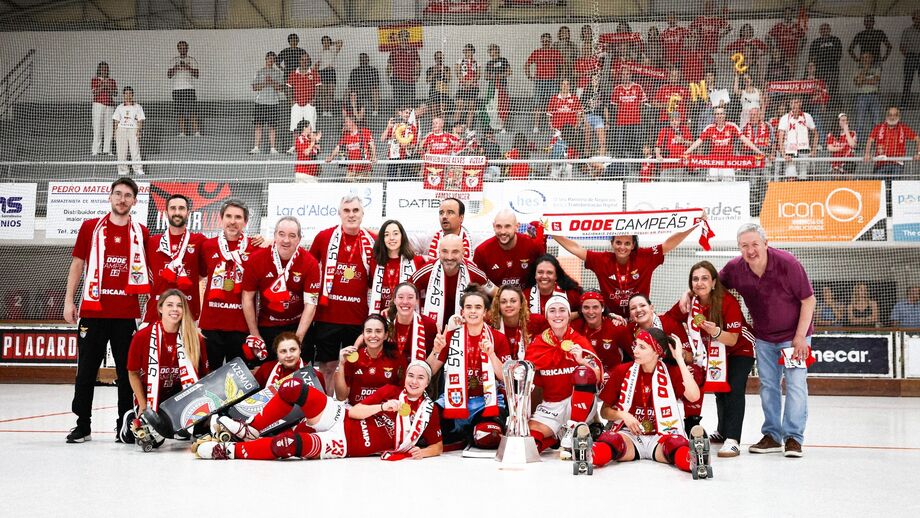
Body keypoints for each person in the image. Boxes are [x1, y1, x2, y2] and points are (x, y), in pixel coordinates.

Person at [197, 360, 442, 461]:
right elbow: (355, 412)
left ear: (426, 383)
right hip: (341, 416)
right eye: (411, 375)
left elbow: (438, 446)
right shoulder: (391, 391)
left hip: (345, 443)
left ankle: (229, 451)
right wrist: (382, 406)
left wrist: (422, 453)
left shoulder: (428, 412)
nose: (413, 381)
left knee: (286, 445)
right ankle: (251, 429)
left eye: (420, 378)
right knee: (293, 387)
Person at [63, 178, 149, 443]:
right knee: (87, 370)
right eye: (118, 194)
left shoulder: (141, 232)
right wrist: (69, 300)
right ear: (110, 197)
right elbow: (78, 264)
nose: (122, 199)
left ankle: (124, 426)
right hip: (93, 311)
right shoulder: (90, 227)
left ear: (134, 201)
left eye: (127, 196)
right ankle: (83, 425)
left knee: (126, 373)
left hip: (125, 314)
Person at [718, 223, 815, 457]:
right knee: (768, 386)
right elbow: (713, 285)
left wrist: (800, 337)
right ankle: (772, 435)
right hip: (763, 338)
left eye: (754, 244)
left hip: (795, 338)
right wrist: (687, 293)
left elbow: (808, 300)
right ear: (739, 248)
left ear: (766, 244)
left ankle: (793, 437)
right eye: (744, 246)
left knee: (795, 385)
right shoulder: (734, 268)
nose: (750, 250)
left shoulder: (788, 264)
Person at [665, 261, 755, 458]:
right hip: (715, 350)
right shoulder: (690, 302)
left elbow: (732, 339)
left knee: (733, 387)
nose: (699, 283)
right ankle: (722, 431)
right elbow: (668, 319)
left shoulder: (728, 301)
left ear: (714, 282)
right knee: (719, 390)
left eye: (704, 278)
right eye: (695, 279)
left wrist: (714, 331)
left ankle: (732, 440)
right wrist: (685, 347)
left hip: (740, 348)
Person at [551, 214, 703, 319]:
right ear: (612, 243)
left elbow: (668, 244)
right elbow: (576, 248)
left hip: (639, 315)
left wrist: (694, 225)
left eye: (627, 243)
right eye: (618, 242)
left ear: (633, 245)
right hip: (611, 317)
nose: (622, 247)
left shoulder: (645, 256)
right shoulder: (602, 259)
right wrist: (550, 231)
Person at [592, 327, 700, 473]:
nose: (635, 350)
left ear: (657, 351)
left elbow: (694, 397)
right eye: (636, 345)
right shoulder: (622, 371)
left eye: (642, 347)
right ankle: (588, 456)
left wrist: (680, 359)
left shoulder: (670, 372)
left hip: (660, 436)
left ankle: (695, 461)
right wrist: (623, 415)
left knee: (676, 443)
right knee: (611, 440)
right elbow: (604, 412)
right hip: (629, 436)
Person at [427, 286, 510, 450]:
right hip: (453, 400)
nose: (473, 311)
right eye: (468, 307)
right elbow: (429, 372)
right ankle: (464, 433)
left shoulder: (498, 338)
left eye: (478, 307)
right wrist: (435, 351)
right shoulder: (450, 336)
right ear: (462, 312)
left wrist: (492, 354)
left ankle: (463, 434)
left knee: (488, 436)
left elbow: (504, 377)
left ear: (485, 312)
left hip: (486, 402)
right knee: (425, 424)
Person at [308, 195, 376, 391]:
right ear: (339, 214)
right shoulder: (324, 237)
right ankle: (327, 408)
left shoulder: (374, 240)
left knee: (353, 366)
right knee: (327, 366)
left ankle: (348, 408)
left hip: (357, 318)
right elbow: (309, 266)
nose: (351, 215)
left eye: (356, 211)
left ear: (362, 214)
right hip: (327, 315)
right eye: (347, 211)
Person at [123, 289, 208, 443]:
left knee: (181, 434)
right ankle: (131, 418)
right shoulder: (142, 336)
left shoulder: (195, 338)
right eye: (170, 305)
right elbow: (133, 373)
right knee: (153, 440)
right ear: (160, 308)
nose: (175, 309)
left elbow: (203, 377)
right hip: (150, 396)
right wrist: (143, 406)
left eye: (179, 306)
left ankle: (180, 424)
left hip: (178, 398)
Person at [526, 295, 601, 457]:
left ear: (569, 315)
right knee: (530, 442)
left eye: (562, 310)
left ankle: (573, 428)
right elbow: (531, 384)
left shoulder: (579, 340)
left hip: (577, 403)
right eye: (552, 311)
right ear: (546, 316)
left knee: (583, 372)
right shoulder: (538, 344)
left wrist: (582, 361)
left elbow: (597, 375)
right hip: (551, 406)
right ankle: (557, 438)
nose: (557, 315)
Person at [242, 216, 320, 361]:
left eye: (292, 236)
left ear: (299, 239)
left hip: (298, 325)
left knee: (300, 374)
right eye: (281, 234)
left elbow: (311, 304)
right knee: (267, 373)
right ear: (275, 236)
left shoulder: (310, 263)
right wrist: (255, 333)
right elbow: (247, 298)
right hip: (267, 324)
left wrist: (297, 340)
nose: (286, 240)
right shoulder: (256, 259)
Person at [199, 199, 260, 368]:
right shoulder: (207, 246)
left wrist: (268, 240)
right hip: (211, 325)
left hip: (241, 326)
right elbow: (199, 277)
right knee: (211, 378)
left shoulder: (256, 248)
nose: (233, 221)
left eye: (238, 217)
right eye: (229, 216)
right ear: (221, 219)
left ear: (246, 222)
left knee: (240, 382)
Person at [412, 234, 494, 332]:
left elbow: (496, 293)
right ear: (439, 252)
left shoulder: (472, 271)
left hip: (464, 334)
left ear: (463, 253)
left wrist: (491, 314)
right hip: (433, 333)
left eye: (455, 252)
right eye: (444, 251)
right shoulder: (428, 269)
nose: (449, 257)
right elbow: (403, 290)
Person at [144, 193, 205, 322]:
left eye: (181, 208)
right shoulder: (152, 242)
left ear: (188, 212)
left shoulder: (199, 241)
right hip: (156, 313)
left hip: (188, 312)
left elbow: (201, 274)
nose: (177, 212)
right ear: (166, 213)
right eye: (173, 208)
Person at [334, 315, 407, 405]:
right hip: (357, 412)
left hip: (386, 413)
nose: (373, 335)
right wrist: (341, 364)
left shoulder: (397, 358)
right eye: (369, 331)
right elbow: (341, 397)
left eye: (378, 331)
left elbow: (403, 393)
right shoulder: (352, 357)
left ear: (385, 335)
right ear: (363, 335)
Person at [683, 106, 765, 181]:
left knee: (728, 184)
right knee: (712, 184)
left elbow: (745, 140)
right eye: (717, 114)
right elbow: (698, 141)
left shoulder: (732, 126)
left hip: (728, 162)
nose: (719, 116)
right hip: (714, 162)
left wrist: (758, 151)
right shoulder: (709, 128)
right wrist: (687, 152)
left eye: (721, 113)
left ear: (725, 115)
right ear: (714, 116)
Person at [473, 209, 545, 289]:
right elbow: (477, 284)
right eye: (498, 226)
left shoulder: (533, 246)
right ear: (493, 226)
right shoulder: (482, 251)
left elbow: (544, 276)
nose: (503, 231)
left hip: (527, 298)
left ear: (516, 226)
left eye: (507, 226)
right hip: (494, 299)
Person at [369, 220, 427, 313]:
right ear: (382, 239)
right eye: (386, 234)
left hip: (407, 318)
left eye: (395, 234)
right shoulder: (375, 263)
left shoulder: (417, 261)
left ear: (402, 236)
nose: (391, 238)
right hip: (380, 319)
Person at [571, 291, 632, 373]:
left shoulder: (617, 328)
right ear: (581, 310)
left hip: (610, 379)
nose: (591, 312)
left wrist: (621, 374)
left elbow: (635, 356)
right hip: (583, 378)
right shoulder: (575, 327)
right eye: (586, 307)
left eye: (595, 307)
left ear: (602, 308)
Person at [488, 284, 548, 360]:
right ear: (498, 305)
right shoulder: (490, 324)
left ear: (521, 304)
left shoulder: (538, 322)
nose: (508, 305)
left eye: (513, 301)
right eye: (503, 302)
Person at [607, 69, 647, 176]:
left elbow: (643, 104)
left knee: (638, 145)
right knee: (620, 145)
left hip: (636, 122)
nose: (625, 76)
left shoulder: (637, 87)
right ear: (621, 76)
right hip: (621, 123)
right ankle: (620, 169)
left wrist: (638, 116)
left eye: (627, 74)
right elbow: (613, 107)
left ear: (630, 75)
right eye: (623, 74)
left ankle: (639, 168)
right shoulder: (617, 89)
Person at [386, 282, 438, 362]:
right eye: (401, 297)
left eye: (410, 297)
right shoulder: (386, 322)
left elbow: (436, 355)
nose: (405, 302)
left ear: (416, 301)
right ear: (395, 300)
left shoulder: (429, 324)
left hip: (419, 371)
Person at [253, 332, 325, 390]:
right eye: (283, 351)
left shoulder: (315, 375)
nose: (289, 355)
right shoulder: (265, 369)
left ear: (300, 350)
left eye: (293, 350)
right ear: (277, 353)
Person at [863, 106, 920, 177]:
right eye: (890, 115)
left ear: (898, 116)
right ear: (886, 116)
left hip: (897, 164)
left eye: (895, 115)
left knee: (895, 186)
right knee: (879, 185)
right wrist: (867, 154)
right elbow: (870, 140)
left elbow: (917, 139)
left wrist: (919, 153)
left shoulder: (903, 128)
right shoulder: (878, 127)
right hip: (881, 163)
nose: (892, 117)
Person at [525, 32, 564, 133]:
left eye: (547, 40)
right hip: (539, 81)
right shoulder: (537, 52)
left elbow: (562, 66)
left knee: (553, 103)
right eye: (544, 40)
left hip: (552, 81)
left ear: (550, 41)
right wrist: (529, 76)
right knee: (537, 103)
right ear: (541, 41)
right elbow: (527, 64)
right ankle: (536, 126)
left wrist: (560, 78)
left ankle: (553, 125)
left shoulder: (555, 52)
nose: (546, 42)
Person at [285, 53, 321, 154]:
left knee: (311, 126)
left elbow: (318, 87)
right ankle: (294, 146)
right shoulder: (293, 73)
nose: (304, 61)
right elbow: (288, 88)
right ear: (299, 61)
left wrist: (314, 99)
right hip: (296, 104)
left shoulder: (314, 73)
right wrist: (291, 100)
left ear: (309, 61)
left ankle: (313, 146)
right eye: (302, 59)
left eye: (306, 60)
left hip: (309, 104)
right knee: (295, 126)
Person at [250, 51, 284, 155]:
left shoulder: (278, 73)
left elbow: (280, 89)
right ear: (266, 59)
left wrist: (272, 82)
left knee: (272, 126)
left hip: (273, 103)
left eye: (273, 58)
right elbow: (255, 88)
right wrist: (265, 83)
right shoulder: (259, 72)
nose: (271, 60)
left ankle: (273, 148)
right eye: (269, 58)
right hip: (260, 102)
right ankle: (256, 147)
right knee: (258, 125)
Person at [776, 98, 818, 181]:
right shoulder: (785, 118)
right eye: (793, 102)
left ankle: (802, 193)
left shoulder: (807, 116)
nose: (795, 104)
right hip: (790, 152)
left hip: (804, 150)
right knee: (791, 177)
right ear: (790, 104)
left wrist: (813, 150)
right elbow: (780, 138)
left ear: (800, 103)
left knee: (803, 176)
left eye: (797, 102)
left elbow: (815, 134)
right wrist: (783, 153)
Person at [325, 116, 376, 181]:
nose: (344, 124)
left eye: (346, 122)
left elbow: (372, 145)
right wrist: (331, 157)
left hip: (364, 169)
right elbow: (338, 147)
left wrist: (374, 156)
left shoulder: (364, 131)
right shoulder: (345, 135)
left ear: (352, 122)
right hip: (351, 170)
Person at [167, 40, 200, 136]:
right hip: (177, 89)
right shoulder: (174, 61)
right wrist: (176, 68)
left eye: (184, 47)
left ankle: (196, 132)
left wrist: (187, 67)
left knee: (192, 110)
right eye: (180, 47)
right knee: (179, 110)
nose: (182, 49)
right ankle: (182, 132)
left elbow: (197, 75)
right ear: (178, 49)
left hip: (189, 89)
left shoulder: (192, 60)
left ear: (187, 48)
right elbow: (169, 75)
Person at [112, 86, 145, 176]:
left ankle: (138, 169)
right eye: (126, 93)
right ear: (123, 95)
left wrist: (139, 131)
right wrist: (115, 132)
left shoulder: (138, 107)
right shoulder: (119, 107)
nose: (128, 95)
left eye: (130, 93)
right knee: (121, 151)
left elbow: (140, 120)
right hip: (121, 129)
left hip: (133, 129)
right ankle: (123, 170)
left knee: (135, 150)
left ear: (133, 95)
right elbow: (116, 120)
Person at [386, 29, 421, 108]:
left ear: (408, 38)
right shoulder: (394, 50)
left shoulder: (413, 50)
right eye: (402, 37)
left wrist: (417, 75)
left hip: (409, 79)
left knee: (410, 100)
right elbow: (389, 64)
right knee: (398, 101)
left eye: (406, 37)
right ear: (399, 38)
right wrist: (388, 76)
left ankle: (410, 119)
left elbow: (418, 64)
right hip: (397, 79)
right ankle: (398, 118)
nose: (404, 39)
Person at [654, 110, 693, 181]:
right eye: (672, 120)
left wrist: (683, 141)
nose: (674, 122)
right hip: (667, 165)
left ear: (680, 120)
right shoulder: (664, 131)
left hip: (680, 166)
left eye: (676, 120)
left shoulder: (685, 130)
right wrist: (658, 154)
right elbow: (658, 145)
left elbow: (692, 144)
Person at [808, 23, 843, 99]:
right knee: (820, 88)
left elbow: (839, 54)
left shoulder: (835, 40)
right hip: (820, 70)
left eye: (826, 29)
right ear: (819, 31)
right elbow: (811, 57)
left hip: (832, 69)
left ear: (829, 30)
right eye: (822, 29)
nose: (824, 31)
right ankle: (821, 106)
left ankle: (833, 106)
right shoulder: (815, 42)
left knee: (833, 88)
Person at [380, 106, 416, 179]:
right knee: (391, 180)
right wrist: (388, 127)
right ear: (401, 113)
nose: (407, 115)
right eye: (406, 112)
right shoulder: (394, 126)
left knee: (405, 180)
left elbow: (413, 145)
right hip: (393, 155)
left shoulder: (412, 128)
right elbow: (382, 139)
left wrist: (406, 145)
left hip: (406, 156)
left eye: (409, 113)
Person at [767, 7, 807, 71]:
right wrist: (772, 49)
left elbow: (804, 38)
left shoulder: (796, 26)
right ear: (783, 14)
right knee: (780, 71)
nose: (788, 15)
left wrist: (800, 49)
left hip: (792, 54)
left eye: (789, 13)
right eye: (786, 13)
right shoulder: (779, 26)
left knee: (791, 72)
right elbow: (768, 37)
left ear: (792, 14)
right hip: (779, 56)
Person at [90, 62, 116, 156]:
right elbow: (95, 92)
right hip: (98, 105)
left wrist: (107, 85)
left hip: (109, 105)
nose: (104, 70)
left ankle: (107, 150)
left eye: (106, 68)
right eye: (102, 68)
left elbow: (115, 93)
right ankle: (96, 150)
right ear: (99, 70)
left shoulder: (112, 81)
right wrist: (102, 85)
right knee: (97, 127)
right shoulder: (95, 80)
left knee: (109, 128)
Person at [484, 44, 512, 130]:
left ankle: (503, 127)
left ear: (497, 50)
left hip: (502, 87)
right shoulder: (489, 63)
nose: (490, 52)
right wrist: (495, 76)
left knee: (502, 105)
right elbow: (486, 76)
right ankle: (492, 126)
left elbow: (509, 72)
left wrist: (498, 76)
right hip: (492, 88)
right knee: (492, 105)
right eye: (490, 50)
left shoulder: (503, 60)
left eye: (492, 49)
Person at [316, 35, 343, 118]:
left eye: (327, 41)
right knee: (324, 93)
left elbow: (340, 42)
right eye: (324, 41)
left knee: (330, 93)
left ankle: (330, 110)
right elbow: (317, 64)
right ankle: (324, 111)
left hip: (331, 72)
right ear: (322, 43)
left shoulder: (333, 50)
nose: (326, 42)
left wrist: (331, 43)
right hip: (322, 73)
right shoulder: (319, 51)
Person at [454, 43, 480, 128]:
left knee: (471, 108)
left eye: (469, 50)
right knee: (459, 106)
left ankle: (469, 128)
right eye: (465, 50)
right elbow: (457, 72)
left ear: (473, 51)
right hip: (462, 86)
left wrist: (472, 81)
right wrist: (464, 81)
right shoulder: (460, 61)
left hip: (473, 86)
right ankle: (456, 127)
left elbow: (478, 74)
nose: (467, 52)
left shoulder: (476, 62)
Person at [826, 113, 857, 178]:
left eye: (846, 120)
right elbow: (830, 148)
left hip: (848, 162)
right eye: (843, 120)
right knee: (836, 177)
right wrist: (841, 148)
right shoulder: (831, 134)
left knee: (849, 178)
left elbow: (852, 145)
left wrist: (846, 132)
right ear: (838, 122)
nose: (845, 122)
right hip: (836, 161)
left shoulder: (852, 133)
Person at [900, 11, 920, 108]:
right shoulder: (907, 31)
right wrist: (909, 56)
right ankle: (904, 103)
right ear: (913, 19)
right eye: (916, 18)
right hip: (911, 57)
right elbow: (902, 47)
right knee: (908, 81)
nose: (918, 20)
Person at [426, 51, 452, 118]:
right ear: (435, 59)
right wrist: (435, 71)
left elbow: (449, 79)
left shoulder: (447, 68)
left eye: (441, 57)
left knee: (442, 112)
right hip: (433, 91)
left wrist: (443, 70)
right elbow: (427, 81)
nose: (439, 59)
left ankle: (442, 127)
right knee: (434, 112)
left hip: (443, 91)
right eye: (437, 57)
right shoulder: (431, 69)